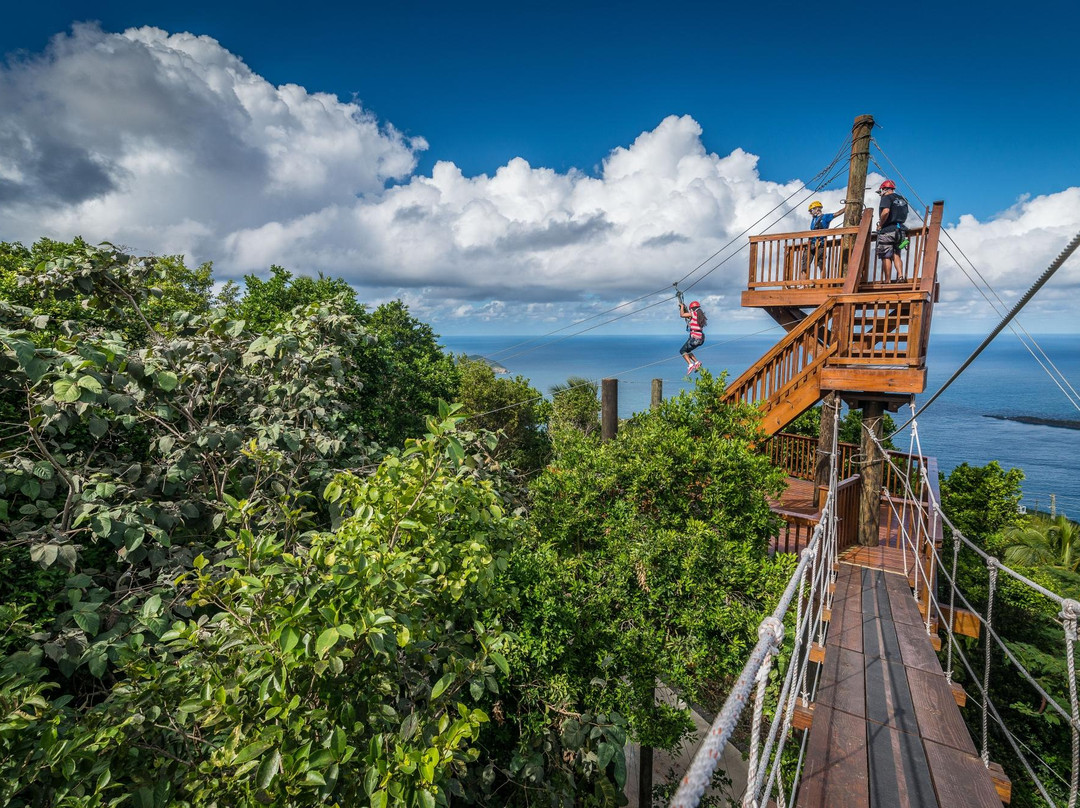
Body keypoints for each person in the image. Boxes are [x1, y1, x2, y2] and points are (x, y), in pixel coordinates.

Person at [876, 179, 910, 282]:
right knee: (896, 254)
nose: (881, 193)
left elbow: (886, 211)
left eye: (881, 191)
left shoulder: (886, 198)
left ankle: (887, 280)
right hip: (900, 230)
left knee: (886, 255)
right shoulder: (903, 200)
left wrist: (880, 224)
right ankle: (900, 276)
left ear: (885, 189)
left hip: (888, 230)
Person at [803, 200, 844, 280]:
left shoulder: (825, 217)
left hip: (820, 243)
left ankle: (822, 281)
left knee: (820, 263)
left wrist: (846, 207)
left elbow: (837, 213)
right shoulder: (813, 219)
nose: (811, 213)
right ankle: (802, 283)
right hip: (811, 243)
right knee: (805, 263)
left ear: (817, 209)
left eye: (811, 211)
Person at [679, 300, 706, 374]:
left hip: (694, 338)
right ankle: (697, 362)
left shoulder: (693, 313)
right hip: (700, 338)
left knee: (682, 351)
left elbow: (682, 315)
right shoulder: (700, 316)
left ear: (692, 309)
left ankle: (690, 364)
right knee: (688, 351)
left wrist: (681, 307)